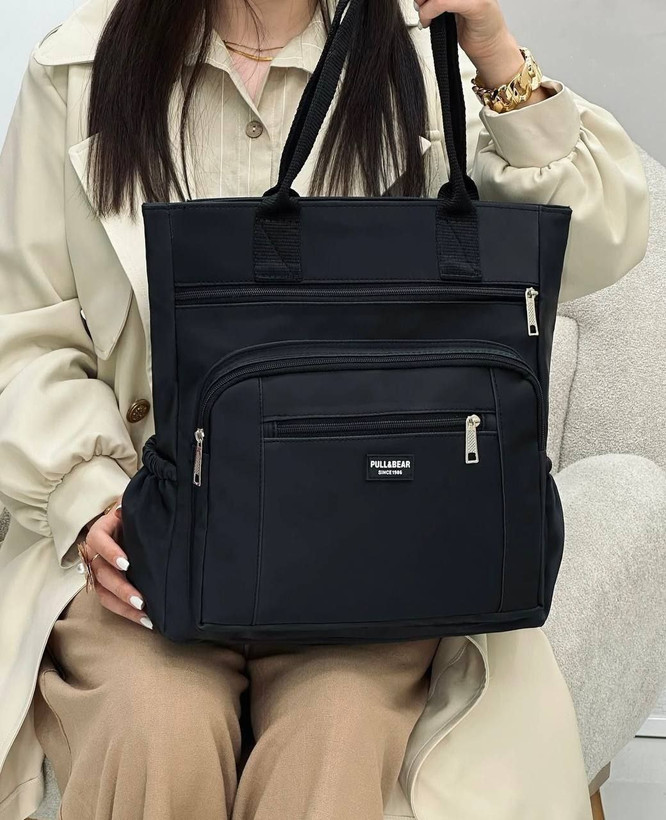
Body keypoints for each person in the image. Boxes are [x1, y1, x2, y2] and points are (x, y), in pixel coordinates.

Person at [0, 0, 648, 818]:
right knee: (155, 727)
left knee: (335, 736)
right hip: (150, 549)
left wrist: (492, 52)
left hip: (372, 553)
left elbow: (595, 243)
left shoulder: (419, 58)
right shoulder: (82, 68)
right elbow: (24, 330)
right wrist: (88, 493)